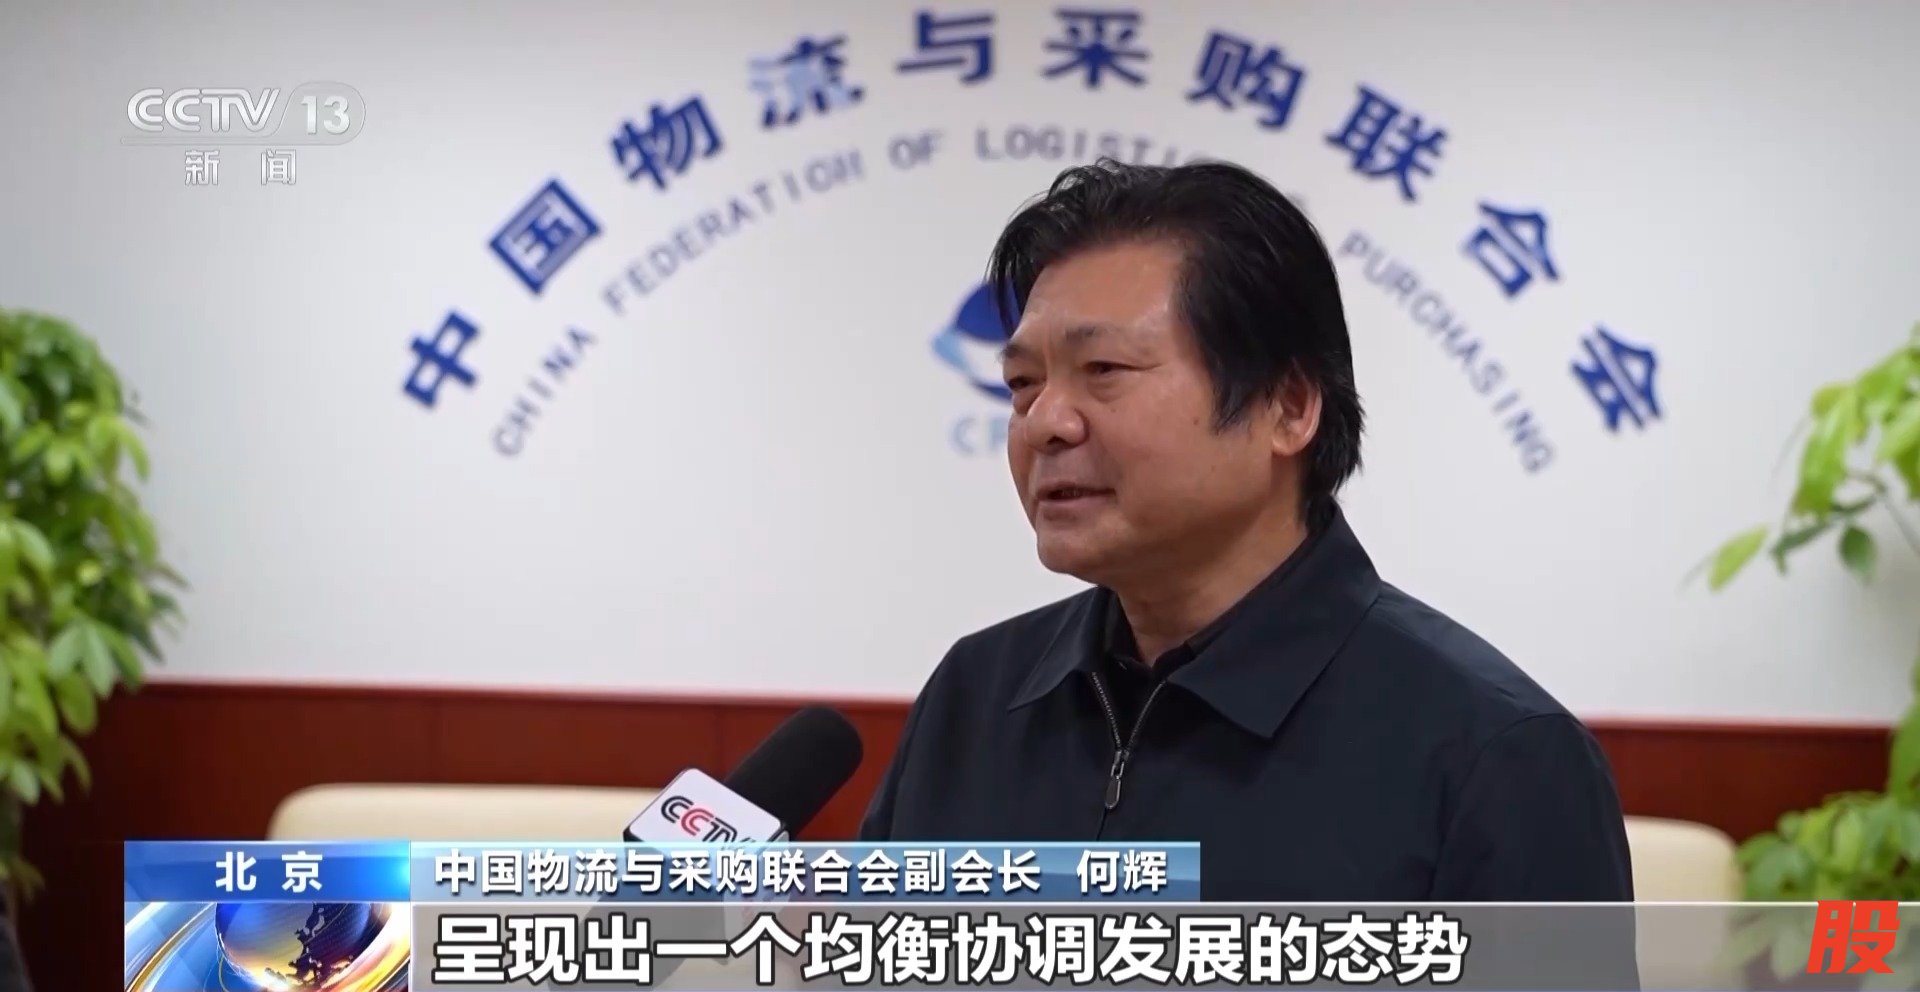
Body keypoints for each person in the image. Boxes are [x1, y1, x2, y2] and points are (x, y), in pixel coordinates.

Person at [860, 158, 1634, 904]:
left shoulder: (1494, 756)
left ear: (1288, 408)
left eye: (1104, 371)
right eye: (1023, 383)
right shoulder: (975, 697)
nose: (1044, 423)